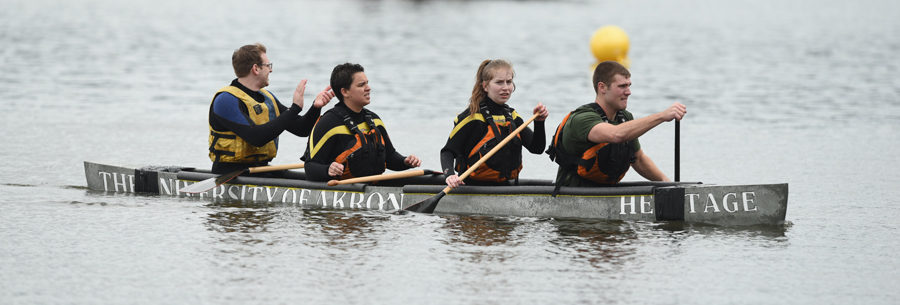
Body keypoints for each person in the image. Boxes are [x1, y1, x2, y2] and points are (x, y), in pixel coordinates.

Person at [547, 60, 686, 195]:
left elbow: (639, 159)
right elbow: (616, 135)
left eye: (629, 85)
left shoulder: (625, 118)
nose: (629, 92)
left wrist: (668, 184)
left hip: (605, 195)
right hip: (572, 196)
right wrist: (662, 116)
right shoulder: (582, 119)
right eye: (622, 86)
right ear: (602, 87)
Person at [208, 43, 334, 174]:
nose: (271, 70)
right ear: (256, 69)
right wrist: (294, 108)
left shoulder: (267, 98)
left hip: (260, 170)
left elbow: (301, 129)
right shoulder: (225, 101)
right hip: (230, 174)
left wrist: (315, 107)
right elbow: (256, 138)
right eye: (268, 65)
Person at [302, 63, 421, 182]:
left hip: (371, 187)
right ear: (345, 92)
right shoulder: (328, 123)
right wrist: (328, 169)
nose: (368, 88)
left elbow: (389, 157)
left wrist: (406, 161)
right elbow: (310, 168)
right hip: (340, 189)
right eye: (361, 85)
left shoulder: (375, 120)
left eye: (367, 83)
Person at [439, 59, 549, 188]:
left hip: (505, 187)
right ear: (485, 86)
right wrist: (450, 175)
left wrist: (539, 123)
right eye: (499, 82)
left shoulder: (512, 116)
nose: (505, 88)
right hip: (470, 187)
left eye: (509, 82)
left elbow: (537, 148)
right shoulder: (472, 117)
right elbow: (447, 151)